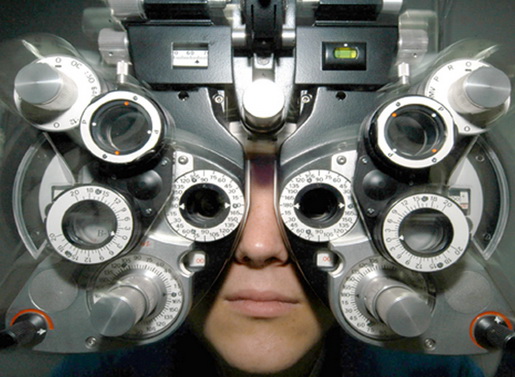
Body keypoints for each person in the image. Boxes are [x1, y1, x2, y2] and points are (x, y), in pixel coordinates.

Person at [51, 155, 486, 377]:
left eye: (318, 204)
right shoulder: (98, 367)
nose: (259, 246)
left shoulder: (437, 370)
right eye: (205, 204)